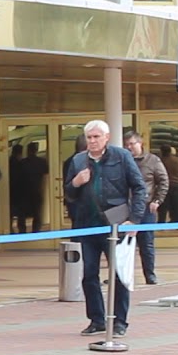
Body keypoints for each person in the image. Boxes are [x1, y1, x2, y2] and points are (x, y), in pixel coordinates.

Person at [63, 120, 147, 338]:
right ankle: (97, 320)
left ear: (106, 137)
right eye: (89, 137)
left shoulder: (121, 156)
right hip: (87, 227)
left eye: (96, 137)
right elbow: (69, 195)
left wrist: (135, 219)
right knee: (89, 274)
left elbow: (139, 187)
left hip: (115, 225)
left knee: (119, 275)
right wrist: (76, 183)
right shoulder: (78, 160)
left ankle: (120, 321)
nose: (92, 141)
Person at [124, 131, 168, 285]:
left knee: (146, 243)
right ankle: (120, 276)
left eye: (132, 144)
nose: (129, 147)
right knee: (121, 244)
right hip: (125, 208)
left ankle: (150, 275)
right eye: (127, 144)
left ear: (140, 143)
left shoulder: (152, 160)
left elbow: (163, 181)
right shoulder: (123, 160)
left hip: (145, 207)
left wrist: (157, 200)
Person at [12, 142, 48, 234]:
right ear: (36, 150)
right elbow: (45, 176)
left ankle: (22, 232)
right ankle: (35, 231)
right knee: (37, 214)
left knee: (22, 215)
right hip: (37, 190)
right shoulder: (42, 162)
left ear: (27, 151)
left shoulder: (22, 163)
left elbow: (17, 177)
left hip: (23, 192)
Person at [158, 145, 178, 223]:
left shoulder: (159, 161)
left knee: (163, 206)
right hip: (177, 185)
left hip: (164, 186)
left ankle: (161, 222)